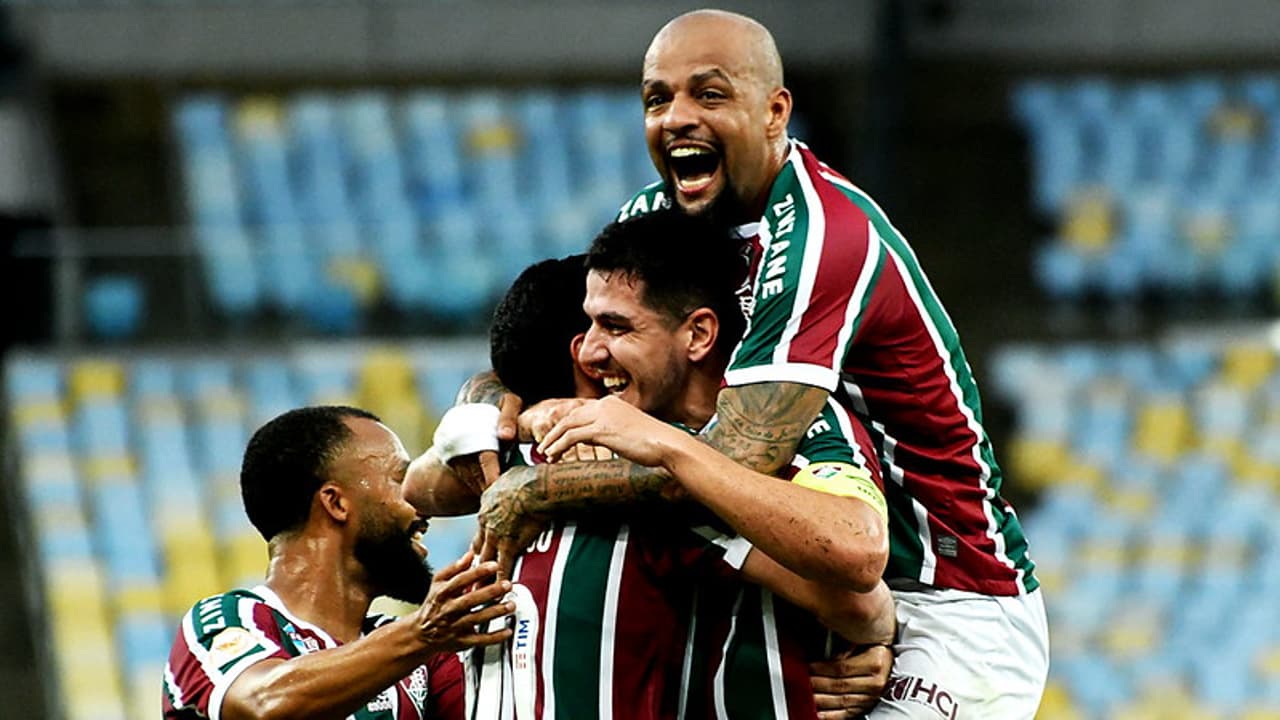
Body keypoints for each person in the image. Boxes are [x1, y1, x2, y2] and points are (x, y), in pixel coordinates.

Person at [477, 9, 1048, 719]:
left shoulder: (823, 236)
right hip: (808, 577)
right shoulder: (655, 217)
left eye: (709, 95)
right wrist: (498, 395)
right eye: (658, 98)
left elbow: (735, 456)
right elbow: (556, 344)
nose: (678, 117)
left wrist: (539, 487)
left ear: (776, 111)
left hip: (946, 593)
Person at [162, 406, 515, 720]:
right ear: (336, 503)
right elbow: (264, 704)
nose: (418, 503)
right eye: (399, 480)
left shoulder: (422, 658)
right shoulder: (225, 622)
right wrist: (420, 634)